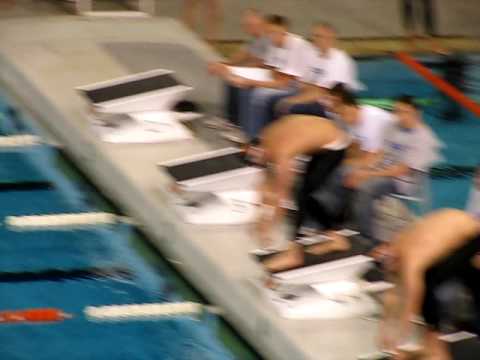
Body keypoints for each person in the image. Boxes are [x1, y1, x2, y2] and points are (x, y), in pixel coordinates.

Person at [376, 209, 480, 359]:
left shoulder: (411, 258)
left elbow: (414, 296)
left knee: (428, 279)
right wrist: (384, 327)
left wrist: (400, 336)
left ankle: (436, 350)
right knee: (470, 280)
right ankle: (433, 346)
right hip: (460, 231)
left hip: (471, 233)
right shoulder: (398, 246)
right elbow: (393, 294)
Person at [344, 95, 442, 242]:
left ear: (417, 113)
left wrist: (367, 174)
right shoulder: (392, 127)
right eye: (398, 111)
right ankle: (349, 222)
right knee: (346, 173)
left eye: (405, 112)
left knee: (366, 188)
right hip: (384, 171)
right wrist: (361, 168)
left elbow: (400, 171)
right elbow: (381, 154)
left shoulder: (424, 137)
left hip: (404, 181)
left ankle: (366, 237)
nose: (401, 116)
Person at [254, 115, 350, 248]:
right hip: (321, 131)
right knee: (304, 189)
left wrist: (267, 228)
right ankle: (314, 228)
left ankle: (305, 237)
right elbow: (266, 183)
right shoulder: (267, 134)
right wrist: (262, 213)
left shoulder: (282, 154)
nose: (261, 164)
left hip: (335, 143)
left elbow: (282, 196)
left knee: (304, 194)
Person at [229, 15, 314, 140]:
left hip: (301, 87)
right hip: (282, 81)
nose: (271, 36)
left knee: (259, 95)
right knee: (244, 88)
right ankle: (244, 130)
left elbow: (283, 82)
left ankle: (255, 138)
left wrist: (251, 81)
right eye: (268, 33)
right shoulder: (274, 44)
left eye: (274, 32)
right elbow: (271, 70)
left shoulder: (296, 45)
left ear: (284, 30)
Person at [274, 22, 362, 118]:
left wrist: (291, 101)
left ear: (330, 38)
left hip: (331, 105)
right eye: (313, 36)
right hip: (314, 97)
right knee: (273, 100)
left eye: (318, 36)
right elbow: (302, 84)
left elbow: (323, 92)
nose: (314, 39)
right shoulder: (314, 56)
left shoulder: (339, 60)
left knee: (288, 107)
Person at [208, 9, 270, 127]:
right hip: (257, 73)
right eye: (245, 25)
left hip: (269, 75)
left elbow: (262, 65)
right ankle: (229, 118)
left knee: (234, 79)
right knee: (230, 77)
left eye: (251, 25)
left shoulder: (268, 39)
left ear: (262, 23)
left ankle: (234, 121)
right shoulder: (254, 40)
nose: (247, 28)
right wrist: (220, 65)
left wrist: (232, 70)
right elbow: (236, 58)